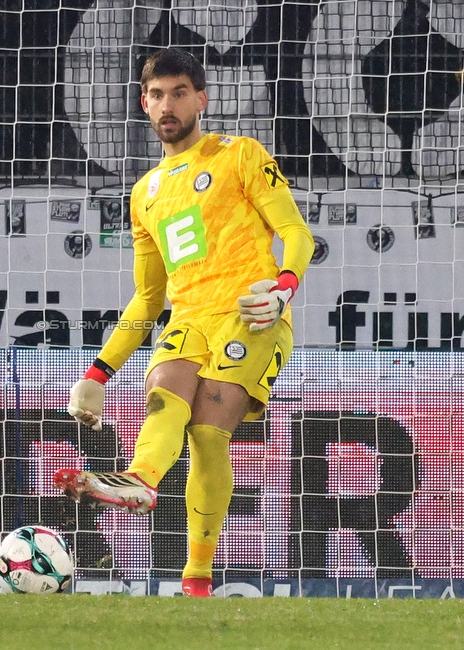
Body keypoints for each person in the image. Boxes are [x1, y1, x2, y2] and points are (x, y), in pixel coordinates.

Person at [53, 49, 315, 597]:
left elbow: (297, 233)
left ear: (202, 98)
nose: (166, 105)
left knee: (205, 434)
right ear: (143, 103)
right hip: (190, 316)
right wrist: (97, 376)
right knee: (165, 385)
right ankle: (142, 480)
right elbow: (148, 298)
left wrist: (283, 289)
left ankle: (197, 573)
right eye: (156, 95)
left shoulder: (239, 154)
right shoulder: (145, 193)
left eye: (178, 93)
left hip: (251, 311)